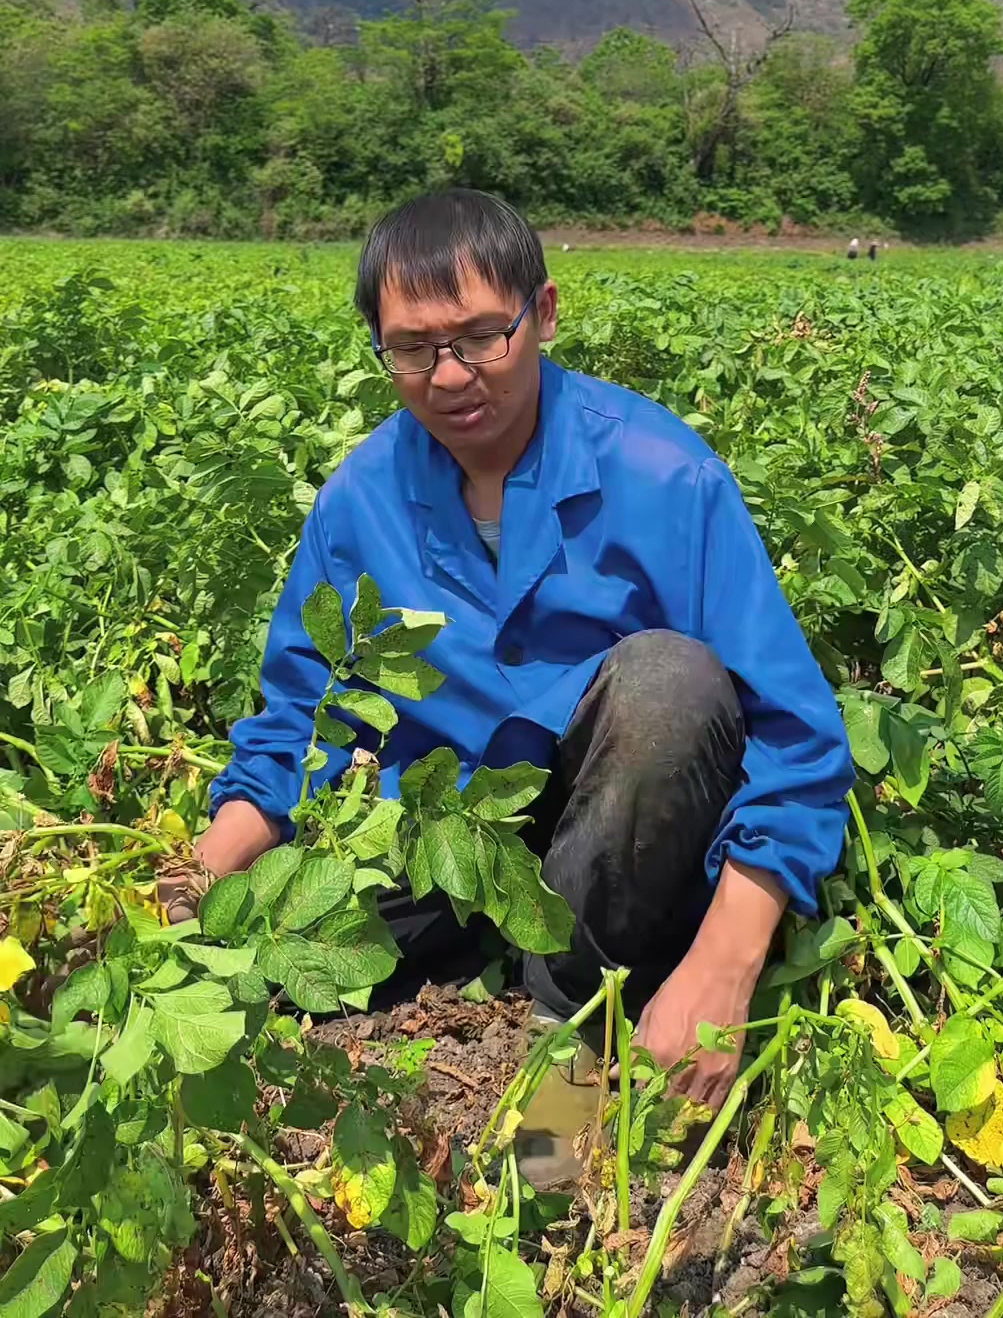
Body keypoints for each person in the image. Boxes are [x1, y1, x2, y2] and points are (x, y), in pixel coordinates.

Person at [159, 189, 853, 1179]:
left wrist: (728, 960)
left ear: (546, 313)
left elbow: (798, 738)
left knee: (668, 685)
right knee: (263, 966)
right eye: (411, 349)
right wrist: (195, 895)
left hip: (616, 844)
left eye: (484, 335)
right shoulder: (361, 502)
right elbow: (297, 720)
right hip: (444, 832)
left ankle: (578, 1028)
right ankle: (465, 981)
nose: (449, 377)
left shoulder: (662, 476)